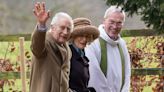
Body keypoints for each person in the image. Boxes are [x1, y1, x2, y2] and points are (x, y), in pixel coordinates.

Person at [85, 5, 131, 92]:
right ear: (104, 20)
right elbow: (94, 74)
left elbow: (127, 72)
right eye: (112, 22)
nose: (115, 26)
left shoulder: (122, 44)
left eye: (119, 23)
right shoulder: (93, 42)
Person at [30, 2, 74, 92]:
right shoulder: (45, 45)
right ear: (52, 27)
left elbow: (63, 81)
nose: (65, 32)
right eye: (62, 27)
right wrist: (41, 24)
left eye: (68, 29)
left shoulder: (67, 50)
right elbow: (36, 45)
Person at [69, 18, 99, 92]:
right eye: (81, 36)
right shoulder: (67, 55)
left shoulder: (82, 54)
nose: (84, 39)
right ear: (73, 36)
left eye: (87, 36)